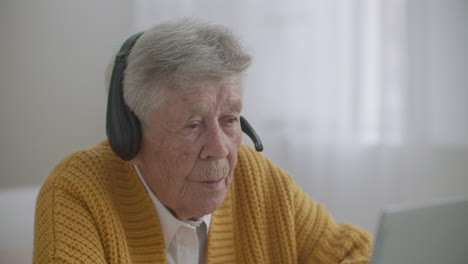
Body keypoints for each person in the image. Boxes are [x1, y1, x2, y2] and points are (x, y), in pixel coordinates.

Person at [33, 19, 372, 264]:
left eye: (229, 119)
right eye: (193, 125)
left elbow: (356, 253)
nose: (221, 148)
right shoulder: (77, 191)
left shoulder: (260, 181)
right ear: (131, 135)